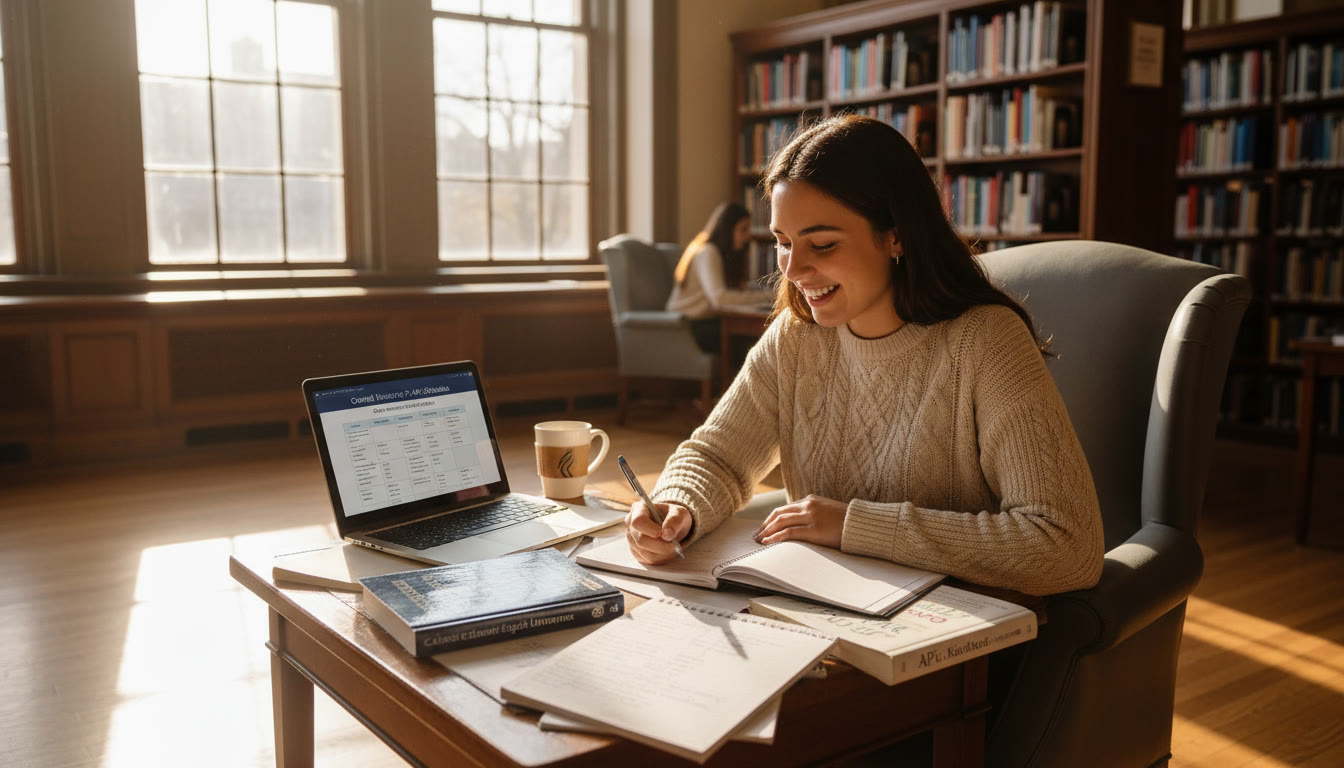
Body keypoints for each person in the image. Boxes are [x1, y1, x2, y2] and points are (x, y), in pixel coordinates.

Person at [625, 114, 1104, 597]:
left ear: (896, 234)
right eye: (782, 243)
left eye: (823, 243)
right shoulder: (797, 338)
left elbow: (1065, 546)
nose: (793, 269)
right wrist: (677, 507)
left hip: (961, 634)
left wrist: (856, 527)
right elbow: (718, 456)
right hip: (825, 611)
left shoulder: (985, 342)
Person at [666, 202, 775, 353]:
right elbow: (719, 298)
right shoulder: (708, 252)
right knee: (754, 345)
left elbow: (733, 291)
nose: (748, 235)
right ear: (727, 229)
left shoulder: (720, 254)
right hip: (690, 325)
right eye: (743, 229)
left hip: (707, 320)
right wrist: (768, 296)